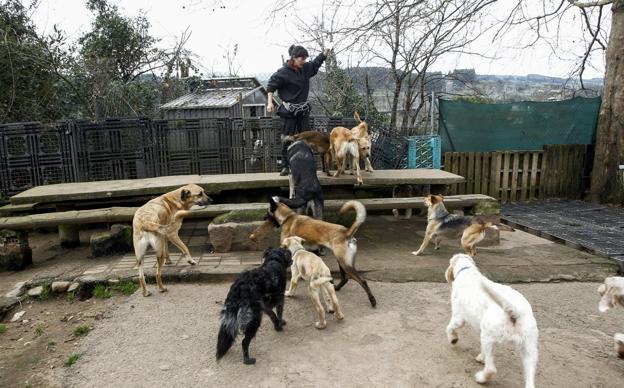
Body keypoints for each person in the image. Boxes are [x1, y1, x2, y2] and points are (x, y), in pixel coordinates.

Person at [267, 44, 331, 176]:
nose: (304, 61)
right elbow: (270, 87)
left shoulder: (306, 68)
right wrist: (269, 103)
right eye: (302, 59)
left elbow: (316, 63)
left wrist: (325, 53)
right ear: (294, 58)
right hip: (288, 112)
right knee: (287, 139)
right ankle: (285, 166)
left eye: (305, 59)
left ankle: (305, 165)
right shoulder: (282, 73)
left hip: (303, 111)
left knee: (307, 139)